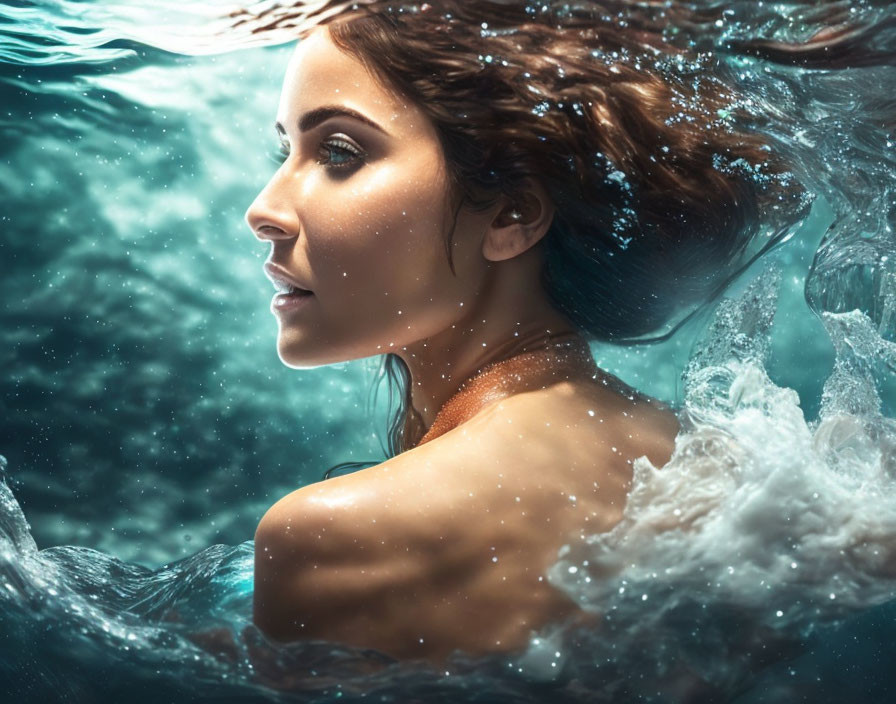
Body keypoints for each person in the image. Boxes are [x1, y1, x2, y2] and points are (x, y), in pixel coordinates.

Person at [240, 0, 806, 663]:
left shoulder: (334, 540)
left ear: (511, 212)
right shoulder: (723, 466)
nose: (265, 210)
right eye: (286, 151)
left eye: (339, 152)